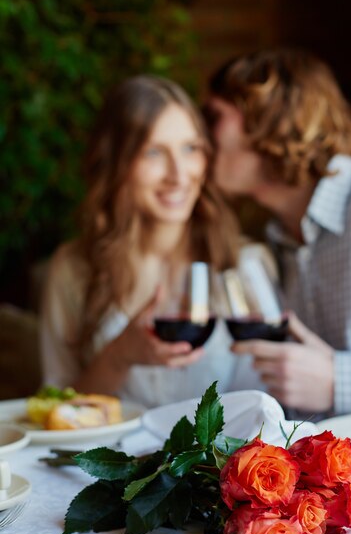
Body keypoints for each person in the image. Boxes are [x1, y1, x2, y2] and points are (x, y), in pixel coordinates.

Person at [206, 47, 351, 417]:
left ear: (269, 119)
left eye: (213, 117)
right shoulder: (278, 240)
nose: (201, 139)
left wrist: (340, 380)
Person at [40, 75, 267, 408]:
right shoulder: (73, 269)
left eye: (190, 148)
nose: (178, 174)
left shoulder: (242, 263)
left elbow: (271, 403)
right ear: (115, 163)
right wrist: (118, 357)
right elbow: (56, 414)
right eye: (153, 152)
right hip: (118, 459)